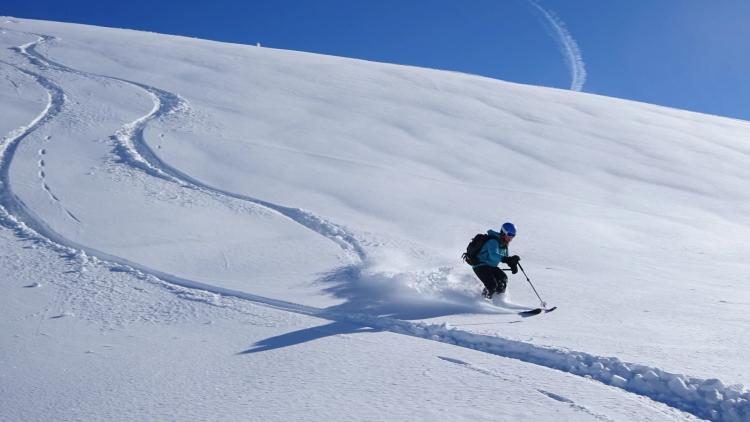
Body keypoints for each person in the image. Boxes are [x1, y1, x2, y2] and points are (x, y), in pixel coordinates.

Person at [472, 222, 520, 299]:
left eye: (513, 235)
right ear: (503, 232)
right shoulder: (493, 241)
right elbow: (494, 255)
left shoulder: (504, 244)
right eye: (509, 234)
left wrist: (512, 263)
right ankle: (482, 301)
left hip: (491, 266)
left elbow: (504, 257)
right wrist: (507, 259)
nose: (511, 237)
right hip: (480, 265)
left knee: (503, 280)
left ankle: (497, 302)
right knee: (492, 285)